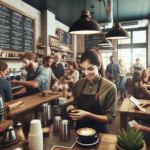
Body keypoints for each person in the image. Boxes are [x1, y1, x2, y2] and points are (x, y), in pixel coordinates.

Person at [66, 48, 117, 134]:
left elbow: (110, 119)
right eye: (83, 69)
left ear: (99, 66)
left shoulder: (110, 87)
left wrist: (87, 114)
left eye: (90, 69)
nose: (86, 73)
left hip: (100, 133)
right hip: (79, 131)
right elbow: (76, 106)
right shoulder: (78, 84)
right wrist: (71, 109)